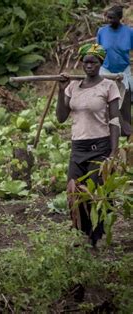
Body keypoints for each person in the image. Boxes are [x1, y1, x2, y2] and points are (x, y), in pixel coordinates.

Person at [56, 44, 121, 247]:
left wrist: (113, 150)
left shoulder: (108, 86)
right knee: (74, 192)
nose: (89, 65)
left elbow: (114, 120)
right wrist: (60, 90)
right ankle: (81, 233)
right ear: (82, 64)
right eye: (86, 62)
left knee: (97, 192)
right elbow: (60, 117)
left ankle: (98, 235)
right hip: (78, 148)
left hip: (99, 147)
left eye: (93, 62)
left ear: (101, 63)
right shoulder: (73, 87)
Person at [96, 5, 133, 136]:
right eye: (108, 17)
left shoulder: (129, 32)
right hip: (106, 70)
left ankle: (126, 131)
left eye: (112, 18)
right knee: (104, 102)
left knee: (125, 101)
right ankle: (105, 131)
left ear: (120, 18)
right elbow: (97, 53)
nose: (109, 20)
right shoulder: (101, 32)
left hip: (123, 71)